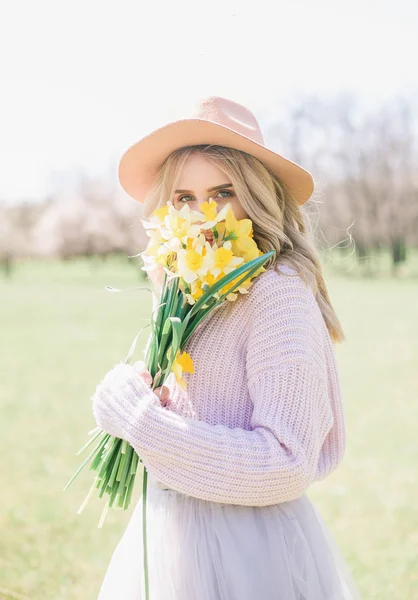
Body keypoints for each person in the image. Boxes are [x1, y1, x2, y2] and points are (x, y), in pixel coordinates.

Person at [91, 96, 362, 599]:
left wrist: (141, 422)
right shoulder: (188, 281)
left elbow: (286, 462)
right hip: (172, 531)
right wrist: (141, 392)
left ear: (257, 197)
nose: (203, 215)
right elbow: (199, 399)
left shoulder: (277, 293)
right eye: (183, 198)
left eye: (223, 192)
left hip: (244, 549)